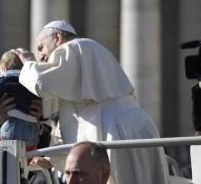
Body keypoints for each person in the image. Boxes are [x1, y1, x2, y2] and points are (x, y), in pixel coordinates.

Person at [12, 20, 171, 184]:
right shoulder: (83, 56)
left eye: (41, 47)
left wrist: (28, 63)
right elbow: (69, 125)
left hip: (117, 129)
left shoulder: (75, 47)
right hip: (133, 126)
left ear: (57, 37)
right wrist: (53, 159)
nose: (41, 56)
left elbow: (42, 82)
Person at [0, 51, 43, 149]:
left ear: (4, 68)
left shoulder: (1, 82)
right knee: (25, 159)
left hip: (10, 127)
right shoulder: (33, 82)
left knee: (9, 159)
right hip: (32, 129)